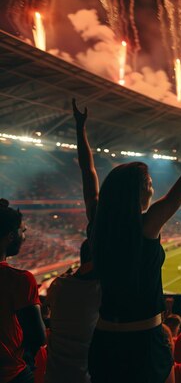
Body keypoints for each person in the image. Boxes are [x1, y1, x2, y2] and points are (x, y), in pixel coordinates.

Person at [88, 107, 181, 383]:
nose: (153, 188)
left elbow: (87, 174)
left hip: (103, 340)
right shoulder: (147, 225)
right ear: (137, 192)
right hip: (144, 341)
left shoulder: (98, 224)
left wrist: (80, 131)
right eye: (149, 183)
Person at [45, 100, 102, 383]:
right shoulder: (106, 291)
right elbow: (88, 175)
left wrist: (80, 129)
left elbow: (87, 174)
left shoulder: (58, 287)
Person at [0, 199, 46, 383]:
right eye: (23, 231)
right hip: (11, 373)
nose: (24, 237)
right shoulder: (19, 279)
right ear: (11, 235)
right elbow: (37, 337)